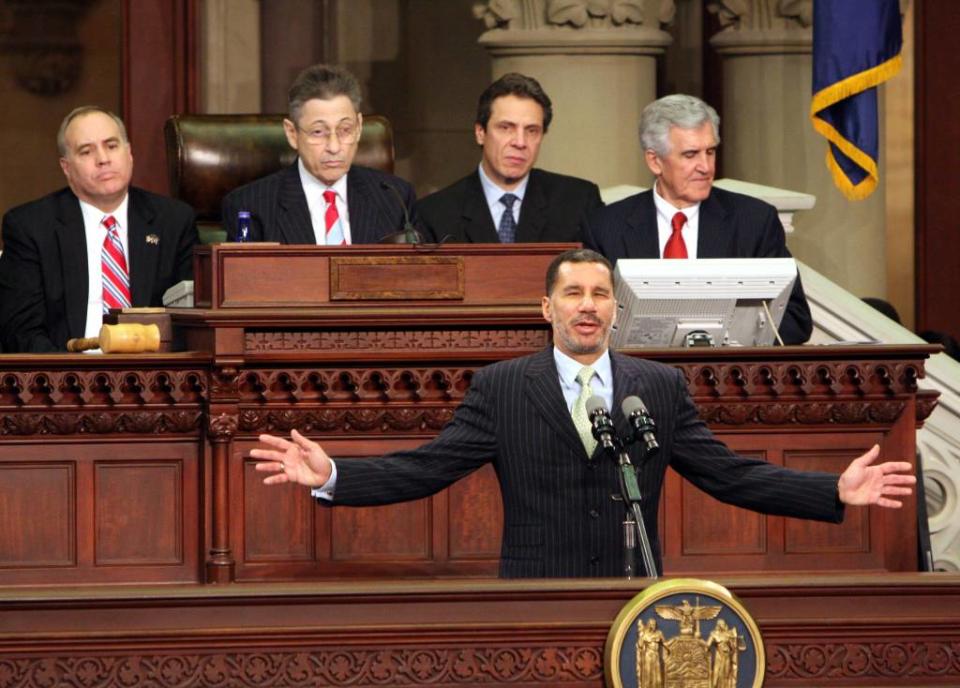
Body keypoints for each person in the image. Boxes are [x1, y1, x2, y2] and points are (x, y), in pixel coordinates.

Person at [251, 248, 915, 578]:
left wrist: (834, 490)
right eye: (573, 293)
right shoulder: (504, 388)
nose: (589, 305)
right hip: (540, 595)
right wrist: (334, 473)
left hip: (637, 587)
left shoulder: (656, 388)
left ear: (616, 311)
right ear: (548, 309)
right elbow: (427, 469)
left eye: (601, 294)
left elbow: (729, 475)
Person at [582, 94, 813, 345]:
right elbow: (589, 315)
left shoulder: (754, 221)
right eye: (691, 154)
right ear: (655, 160)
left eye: (710, 152)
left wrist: (720, 336)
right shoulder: (606, 226)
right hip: (637, 376)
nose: (706, 167)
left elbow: (795, 319)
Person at [0, 106, 198, 353]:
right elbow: (20, 330)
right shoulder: (30, 227)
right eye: (86, 151)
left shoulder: (173, 221)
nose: (103, 159)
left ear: (129, 153)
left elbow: (192, 323)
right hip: (65, 377)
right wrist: (70, 380)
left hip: (156, 375)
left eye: (112, 146)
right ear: (66, 167)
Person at [221, 64, 418, 245]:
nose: (333, 147)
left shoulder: (395, 199)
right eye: (318, 132)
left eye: (345, 130)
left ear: (358, 128)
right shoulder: (251, 207)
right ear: (292, 133)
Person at [417, 73, 603, 244]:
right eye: (506, 128)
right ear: (480, 133)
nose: (520, 142)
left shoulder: (578, 202)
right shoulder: (436, 213)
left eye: (532, 131)